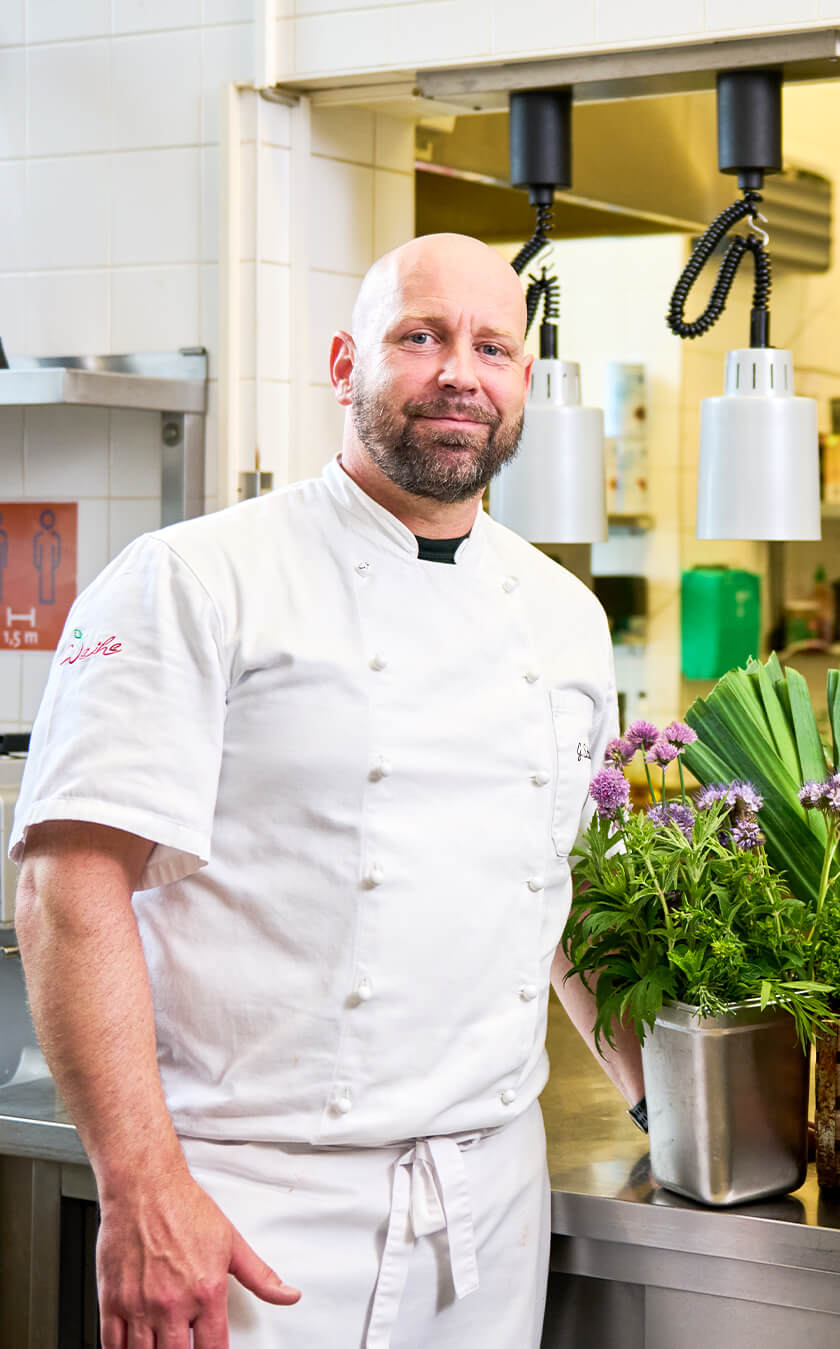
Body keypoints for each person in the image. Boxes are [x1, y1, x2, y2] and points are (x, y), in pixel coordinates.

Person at [11, 232, 642, 1349]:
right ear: (346, 364)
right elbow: (69, 885)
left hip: (489, 1206)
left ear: (524, 385)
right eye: (421, 336)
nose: (460, 371)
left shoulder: (564, 616)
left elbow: (560, 894)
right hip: (249, 1205)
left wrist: (664, 1108)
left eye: (492, 346)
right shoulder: (197, 577)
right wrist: (141, 1185)